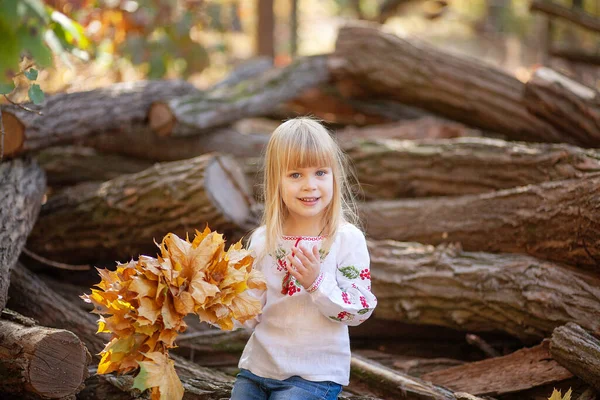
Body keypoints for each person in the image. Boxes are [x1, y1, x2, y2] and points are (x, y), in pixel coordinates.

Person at [230, 117, 377, 400]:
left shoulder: (345, 239)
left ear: (335, 175)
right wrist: (211, 299)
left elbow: (359, 311)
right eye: (296, 175)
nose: (310, 185)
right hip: (259, 368)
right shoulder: (263, 240)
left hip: (314, 376)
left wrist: (316, 283)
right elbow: (247, 311)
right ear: (277, 181)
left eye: (320, 172)